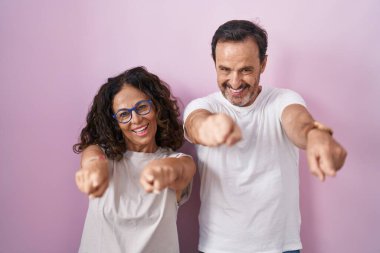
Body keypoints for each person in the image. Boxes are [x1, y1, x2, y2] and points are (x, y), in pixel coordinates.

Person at [183, 20, 347, 253]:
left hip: (282, 247)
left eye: (246, 70)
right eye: (225, 69)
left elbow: (297, 121)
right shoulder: (203, 105)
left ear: (263, 63)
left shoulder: (283, 100)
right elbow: (195, 124)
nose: (235, 82)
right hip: (219, 247)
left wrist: (314, 134)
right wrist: (208, 127)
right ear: (215, 64)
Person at [73, 66, 196, 253]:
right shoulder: (102, 155)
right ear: (115, 123)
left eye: (142, 107)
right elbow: (92, 160)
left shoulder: (178, 160)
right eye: (124, 114)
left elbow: (182, 168)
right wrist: (93, 170)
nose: (136, 119)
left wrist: (164, 170)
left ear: (156, 107)